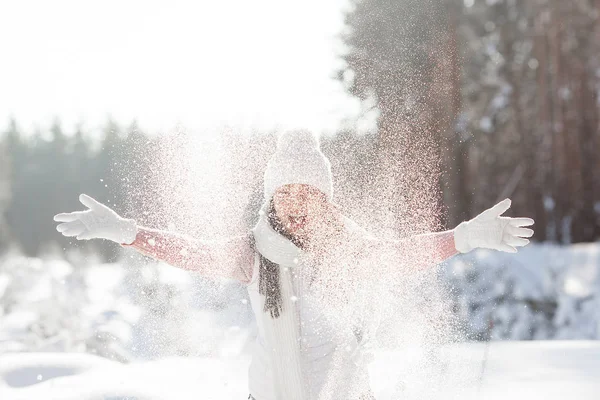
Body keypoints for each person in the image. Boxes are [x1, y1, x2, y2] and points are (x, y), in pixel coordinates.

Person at [53, 130, 534, 400]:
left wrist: (461, 237)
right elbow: (192, 252)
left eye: (308, 192)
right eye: (286, 192)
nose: (297, 202)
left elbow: (401, 254)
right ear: (270, 200)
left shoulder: (351, 248)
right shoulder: (253, 251)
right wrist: (129, 232)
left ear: (325, 198)